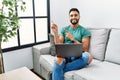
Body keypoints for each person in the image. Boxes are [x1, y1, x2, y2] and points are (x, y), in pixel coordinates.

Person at [51, 8, 93, 80]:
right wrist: (55, 32)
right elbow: (58, 44)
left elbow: (85, 49)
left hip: (78, 56)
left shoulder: (84, 31)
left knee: (89, 56)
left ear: (79, 16)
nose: (73, 17)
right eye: (71, 15)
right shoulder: (64, 29)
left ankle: (59, 70)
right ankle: (59, 69)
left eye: (75, 15)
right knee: (57, 59)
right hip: (65, 55)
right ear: (69, 17)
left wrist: (73, 39)